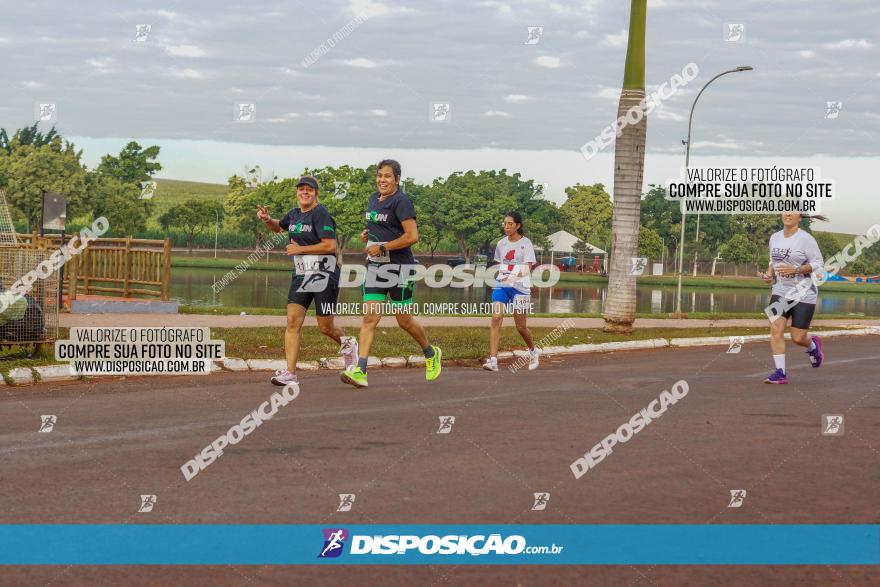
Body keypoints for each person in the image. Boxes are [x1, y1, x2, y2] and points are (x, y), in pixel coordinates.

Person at [340, 159, 441, 388]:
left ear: (397, 179)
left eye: (387, 176)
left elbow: (411, 236)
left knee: (403, 320)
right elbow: (381, 226)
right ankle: (361, 371)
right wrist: (369, 235)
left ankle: (430, 353)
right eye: (379, 175)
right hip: (375, 266)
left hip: (400, 268)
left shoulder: (402, 201)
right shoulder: (373, 199)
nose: (381, 180)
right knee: (370, 318)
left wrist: (383, 247)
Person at [256, 175, 357, 387]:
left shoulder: (320, 214)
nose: (304, 192)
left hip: (325, 273)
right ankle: (290, 373)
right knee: (292, 322)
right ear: (297, 193)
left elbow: (329, 246)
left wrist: (300, 249)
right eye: (301, 189)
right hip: (302, 274)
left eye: (309, 190)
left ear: (315, 193)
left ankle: (349, 345)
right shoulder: (293, 215)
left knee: (325, 327)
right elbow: (279, 227)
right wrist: (267, 219)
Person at [760, 212, 827, 384]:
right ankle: (780, 372)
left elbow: (819, 264)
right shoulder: (774, 237)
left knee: (797, 338)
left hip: (804, 293)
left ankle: (813, 346)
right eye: (785, 210)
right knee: (776, 329)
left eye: (792, 211)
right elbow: (772, 261)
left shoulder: (806, 239)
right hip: (781, 291)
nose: (787, 213)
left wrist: (796, 270)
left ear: (800, 217)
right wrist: (769, 274)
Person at [483, 211, 539, 372]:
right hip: (502, 285)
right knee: (495, 318)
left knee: (520, 327)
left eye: (510, 224)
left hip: (521, 289)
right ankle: (493, 360)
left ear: (518, 226)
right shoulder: (501, 244)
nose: (506, 227)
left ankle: (534, 351)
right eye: (505, 224)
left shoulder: (526, 243)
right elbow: (502, 265)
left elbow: (528, 267)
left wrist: (514, 278)